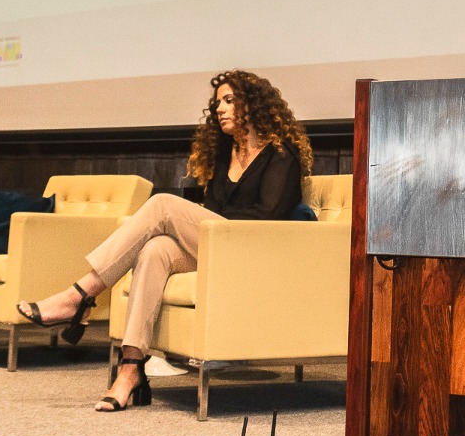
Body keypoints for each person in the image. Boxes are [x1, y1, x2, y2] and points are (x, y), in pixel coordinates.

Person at [17, 70, 310, 412]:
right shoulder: (224, 155)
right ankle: (130, 369)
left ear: (254, 105)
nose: (219, 109)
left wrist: (206, 222)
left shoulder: (281, 153)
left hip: (254, 249)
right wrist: (205, 222)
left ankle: (79, 295)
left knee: (161, 205)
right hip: (218, 246)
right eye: (217, 103)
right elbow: (213, 210)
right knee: (154, 250)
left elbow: (268, 216)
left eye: (229, 100)